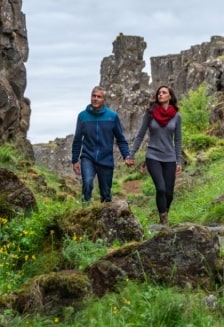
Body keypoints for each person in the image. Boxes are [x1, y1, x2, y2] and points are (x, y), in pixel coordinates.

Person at [71, 86, 134, 203]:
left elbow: (120, 139)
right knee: (88, 183)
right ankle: (86, 209)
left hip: (106, 159)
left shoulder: (112, 116)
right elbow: (78, 139)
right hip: (87, 157)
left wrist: (126, 155)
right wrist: (75, 160)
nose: (95, 99)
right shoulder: (82, 116)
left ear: (104, 100)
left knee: (106, 193)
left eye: (99, 97)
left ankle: (106, 218)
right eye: (93, 96)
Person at [131, 85, 183, 225]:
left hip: (170, 158)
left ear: (170, 97)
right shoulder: (150, 114)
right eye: (159, 92)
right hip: (153, 156)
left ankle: (164, 212)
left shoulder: (176, 116)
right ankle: (164, 221)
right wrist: (132, 154)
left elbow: (177, 140)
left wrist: (179, 161)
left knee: (169, 194)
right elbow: (140, 134)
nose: (160, 94)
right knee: (160, 188)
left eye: (164, 92)